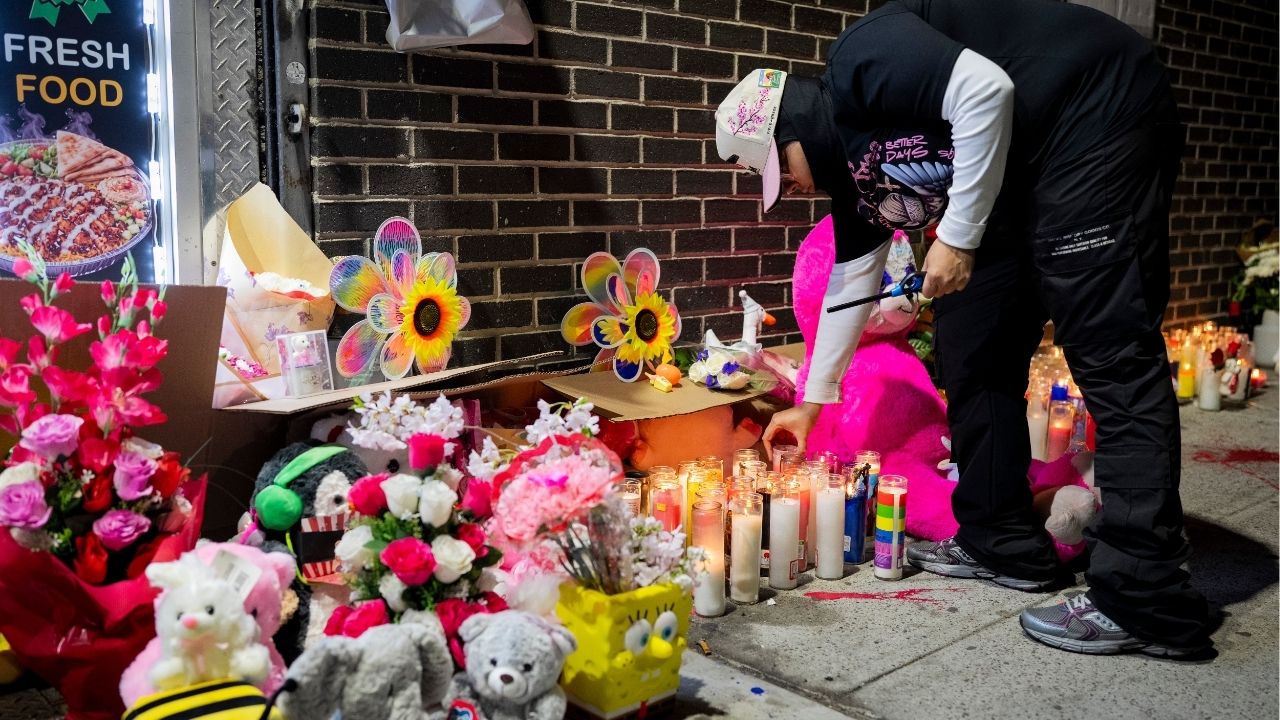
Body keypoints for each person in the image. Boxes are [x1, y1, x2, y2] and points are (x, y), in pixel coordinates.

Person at [713, 0, 1211, 658]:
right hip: (1016, 170)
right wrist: (811, 403)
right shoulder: (859, 181)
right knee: (972, 336)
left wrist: (956, 233)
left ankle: (1145, 598)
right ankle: (999, 538)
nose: (793, 189)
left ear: (790, 129)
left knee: (1110, 347)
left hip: (1092, 112)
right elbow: (849, 286)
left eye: (781, 171)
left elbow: (986, 88)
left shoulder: (863, 57)